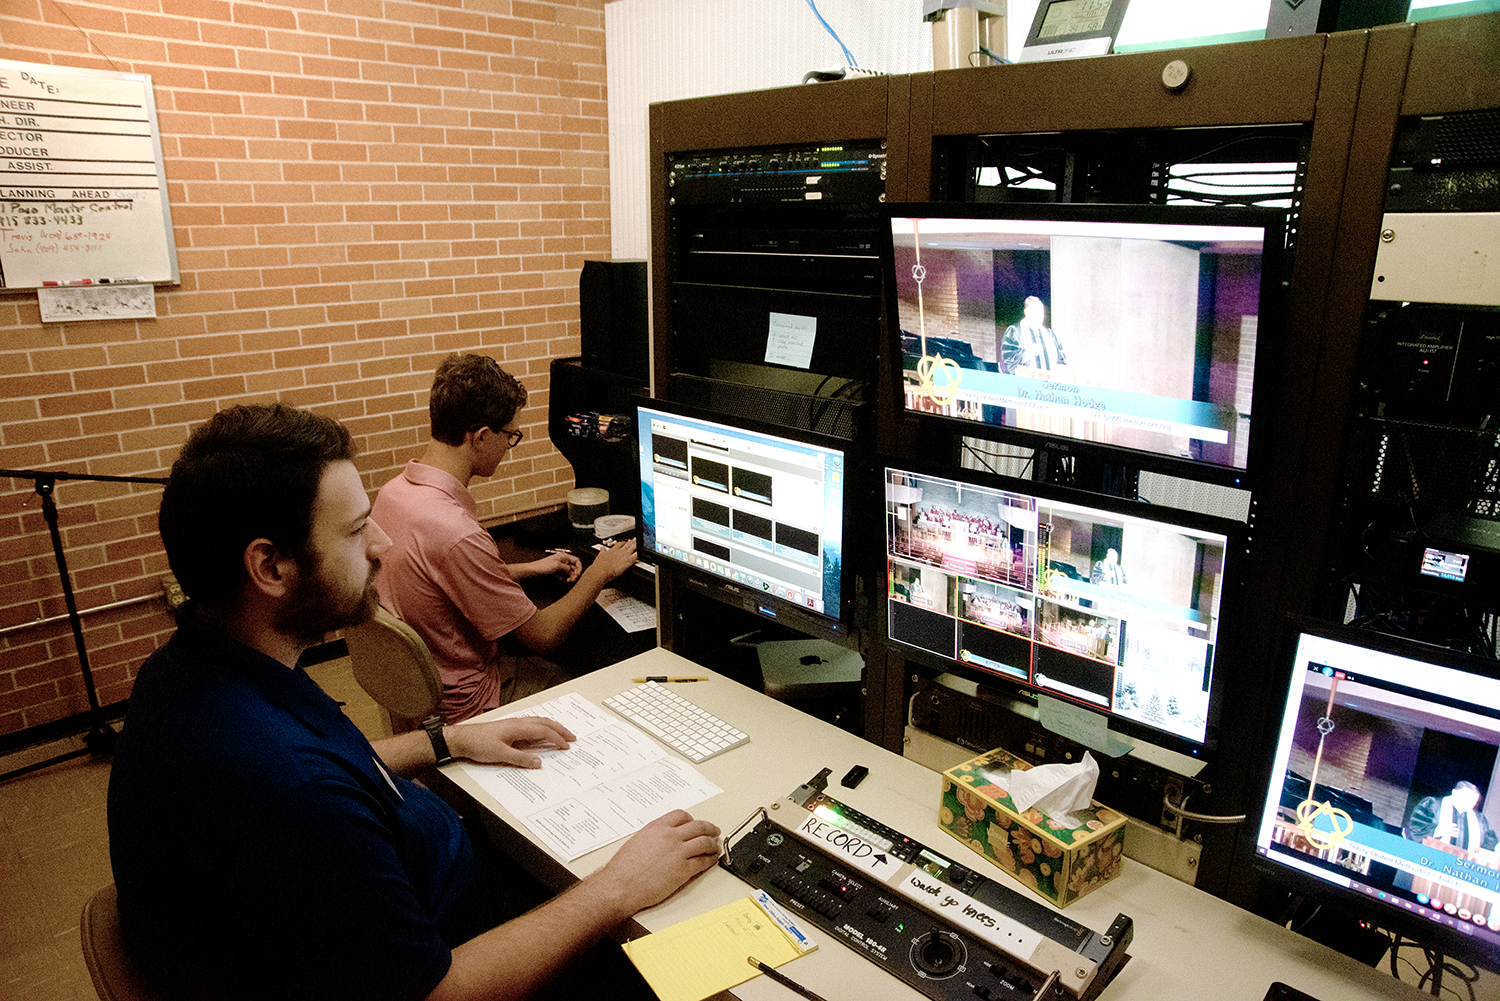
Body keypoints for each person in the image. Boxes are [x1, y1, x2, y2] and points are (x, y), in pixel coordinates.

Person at [108, 403, 720, 1001]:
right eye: (354, 530)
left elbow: (328, 765)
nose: (381, 545)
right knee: (693, 955)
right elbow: (436, 989)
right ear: (270, 566)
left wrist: (446, 740)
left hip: (421, 892)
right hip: (464, 948)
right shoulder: (294, 799)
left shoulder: (187, 671)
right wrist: (616, 889)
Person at [372, 353, 640, 722]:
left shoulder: (393, 495)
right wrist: (601, 571)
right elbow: (545, 636)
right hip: (470, 703)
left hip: (413, 687)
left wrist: (529, 569)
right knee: (605, 688)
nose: (509, 445)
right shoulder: (456, 533)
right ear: (481, 437)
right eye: (511, 435)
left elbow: (437, 581)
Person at [1407, 780, 1498, 852]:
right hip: (1431, 861)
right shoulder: (1432, 805)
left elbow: (1487, 843)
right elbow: (1415, 828)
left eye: (1474, 802)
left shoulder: (1479, 820)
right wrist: (1437, 831)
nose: (1470, 804)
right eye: (1467, 799)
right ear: (1454, 793)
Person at [1000, 295, 1068, 373]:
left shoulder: (1050, 334)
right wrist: (1027, 353)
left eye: (1042, 313)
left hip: (1048, 382)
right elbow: (1008, 364)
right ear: (1026, 312)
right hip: (1025, 383)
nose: (1040, 317)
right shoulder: (1014, 331)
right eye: (1036, 313)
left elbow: (1062, 361)